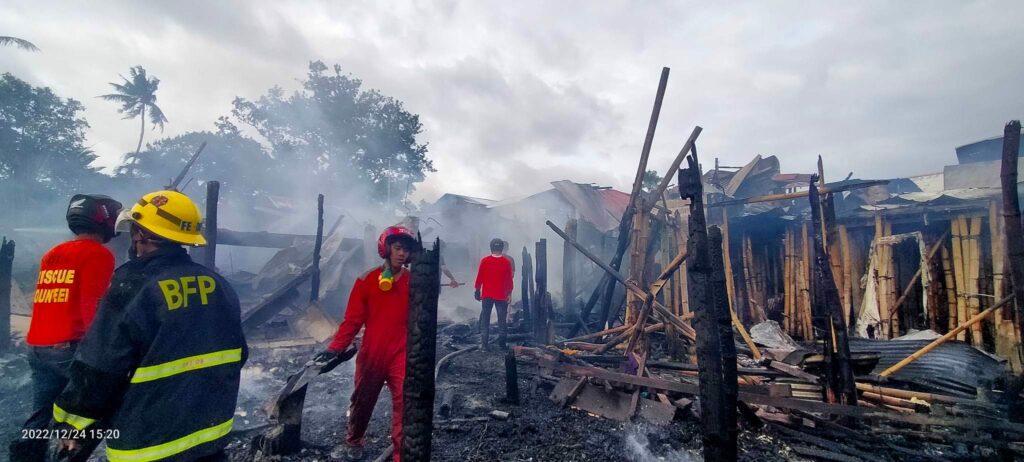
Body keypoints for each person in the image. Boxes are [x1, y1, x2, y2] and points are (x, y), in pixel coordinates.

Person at [50, 190, 247, 462]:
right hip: (209, 438)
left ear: (141, 234)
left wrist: (71, 421)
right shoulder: (218, 285)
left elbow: (100, 365)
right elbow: (239, 355)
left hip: (148, 444)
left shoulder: (132, 284)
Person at [8, 195, 122, 462]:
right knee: (87, 414)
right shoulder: (99, 254)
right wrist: (103, 354)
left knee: (42, 413)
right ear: (103, 220)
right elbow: (92, 308)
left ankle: (25, 456)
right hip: (68, 349)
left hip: (37, 347)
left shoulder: (54, 253)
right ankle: (69, 455)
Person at [314, 226, 421, 461]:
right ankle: (354, 440)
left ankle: (401, 455)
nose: (402, 254)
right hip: (372, 351)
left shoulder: (414, 283)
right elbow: (353, 320)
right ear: (387, 248)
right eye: (397, 248)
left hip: (401, 352)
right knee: (362, 400)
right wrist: (335, 348)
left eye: (406, 250)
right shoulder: (367, 279)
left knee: (405, 401)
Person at [474, 238, 514, 349]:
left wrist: (477, 290)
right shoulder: (506, 262)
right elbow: (509, 281)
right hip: (501, 296)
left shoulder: (485, 261)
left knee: (485, 321)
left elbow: (479, 277)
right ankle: (502, 345)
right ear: (502, 248)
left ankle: (484, 345)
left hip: (487, 295)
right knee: (502, 322)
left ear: (491, 248)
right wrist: (509, 294)